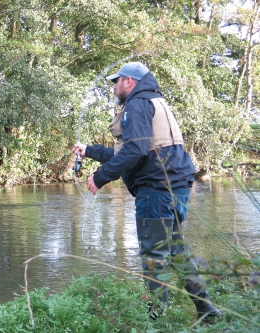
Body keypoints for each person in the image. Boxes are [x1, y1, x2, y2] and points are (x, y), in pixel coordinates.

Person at [72, 62, 222, 320]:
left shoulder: (138, 104)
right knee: (174, 252)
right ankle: (207, 311)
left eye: (116, 81)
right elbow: (132, 150)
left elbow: (135, 151)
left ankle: (154, 320)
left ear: (129, 81)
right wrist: (90, 150)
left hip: (156, 189)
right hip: (175, 186)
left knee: (154, 257)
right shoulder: (154, 101)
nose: (114, 86)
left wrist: (100, 177)